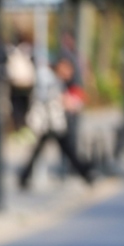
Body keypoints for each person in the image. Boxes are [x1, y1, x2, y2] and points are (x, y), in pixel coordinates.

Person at [18, 58, 97, 190]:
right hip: (51, 123)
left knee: (60, 150)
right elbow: (53, 99)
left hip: (52, 123)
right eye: (67, 69)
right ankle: (86, 172)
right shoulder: (51, 80)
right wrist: (71, 103)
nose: (69, 73)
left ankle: (24, 178)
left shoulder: (53, 79)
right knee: (67, 150)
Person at [7, 41, 36, 133]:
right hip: (18, 87)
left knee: (24, 109)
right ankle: (19, 128)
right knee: (18, 109)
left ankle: (22, 128)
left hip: (25, 87)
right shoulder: (15, 57)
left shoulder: (25, 58)